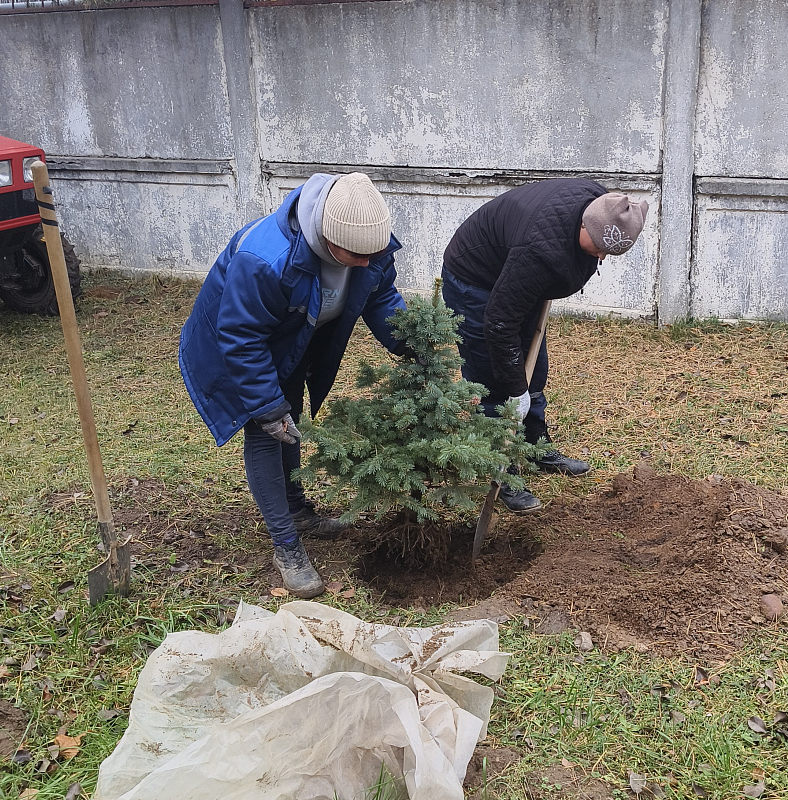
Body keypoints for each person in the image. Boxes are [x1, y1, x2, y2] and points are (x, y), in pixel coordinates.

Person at [179, 172, 405, 597]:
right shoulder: (266, 259)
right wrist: (267, 405)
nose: (365, 263)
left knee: (292, 418)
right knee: (268, 429)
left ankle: (298, 510)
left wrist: (411, 342)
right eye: (356, 255)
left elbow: (379, 296)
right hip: (235, 348)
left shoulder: (367, 245)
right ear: (326, 237)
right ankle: (286, 546)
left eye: (372, 254)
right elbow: (241, 337)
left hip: (293, 338)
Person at [441, 179, 648, 511]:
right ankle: (501, 470)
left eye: (607, 251)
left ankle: (535, 446)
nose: (600, 256)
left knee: (534, 367)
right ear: (584, 224)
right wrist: (514, 390)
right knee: (492, 378)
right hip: (475, 280)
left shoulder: (604, 205)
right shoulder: (539, 249)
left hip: (517, 273)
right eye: (597, 246)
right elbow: (499, 322)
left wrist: (524, 387)